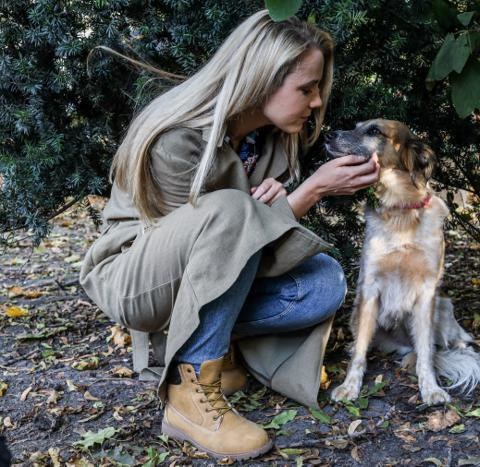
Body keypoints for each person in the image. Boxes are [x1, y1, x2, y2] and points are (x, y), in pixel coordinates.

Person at [79, 10, 379, 461]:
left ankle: (221, 349)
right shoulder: (177, 138)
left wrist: (278, 205)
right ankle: (188, 391)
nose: (317, 102)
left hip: (210, 275)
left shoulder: (271, 138)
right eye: (306, 88)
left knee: (323, 282)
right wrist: (307, 194)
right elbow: (204, 256)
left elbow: (249, 254)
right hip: (137, 282)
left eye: (316, 88)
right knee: (232, 211)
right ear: (261, 82)